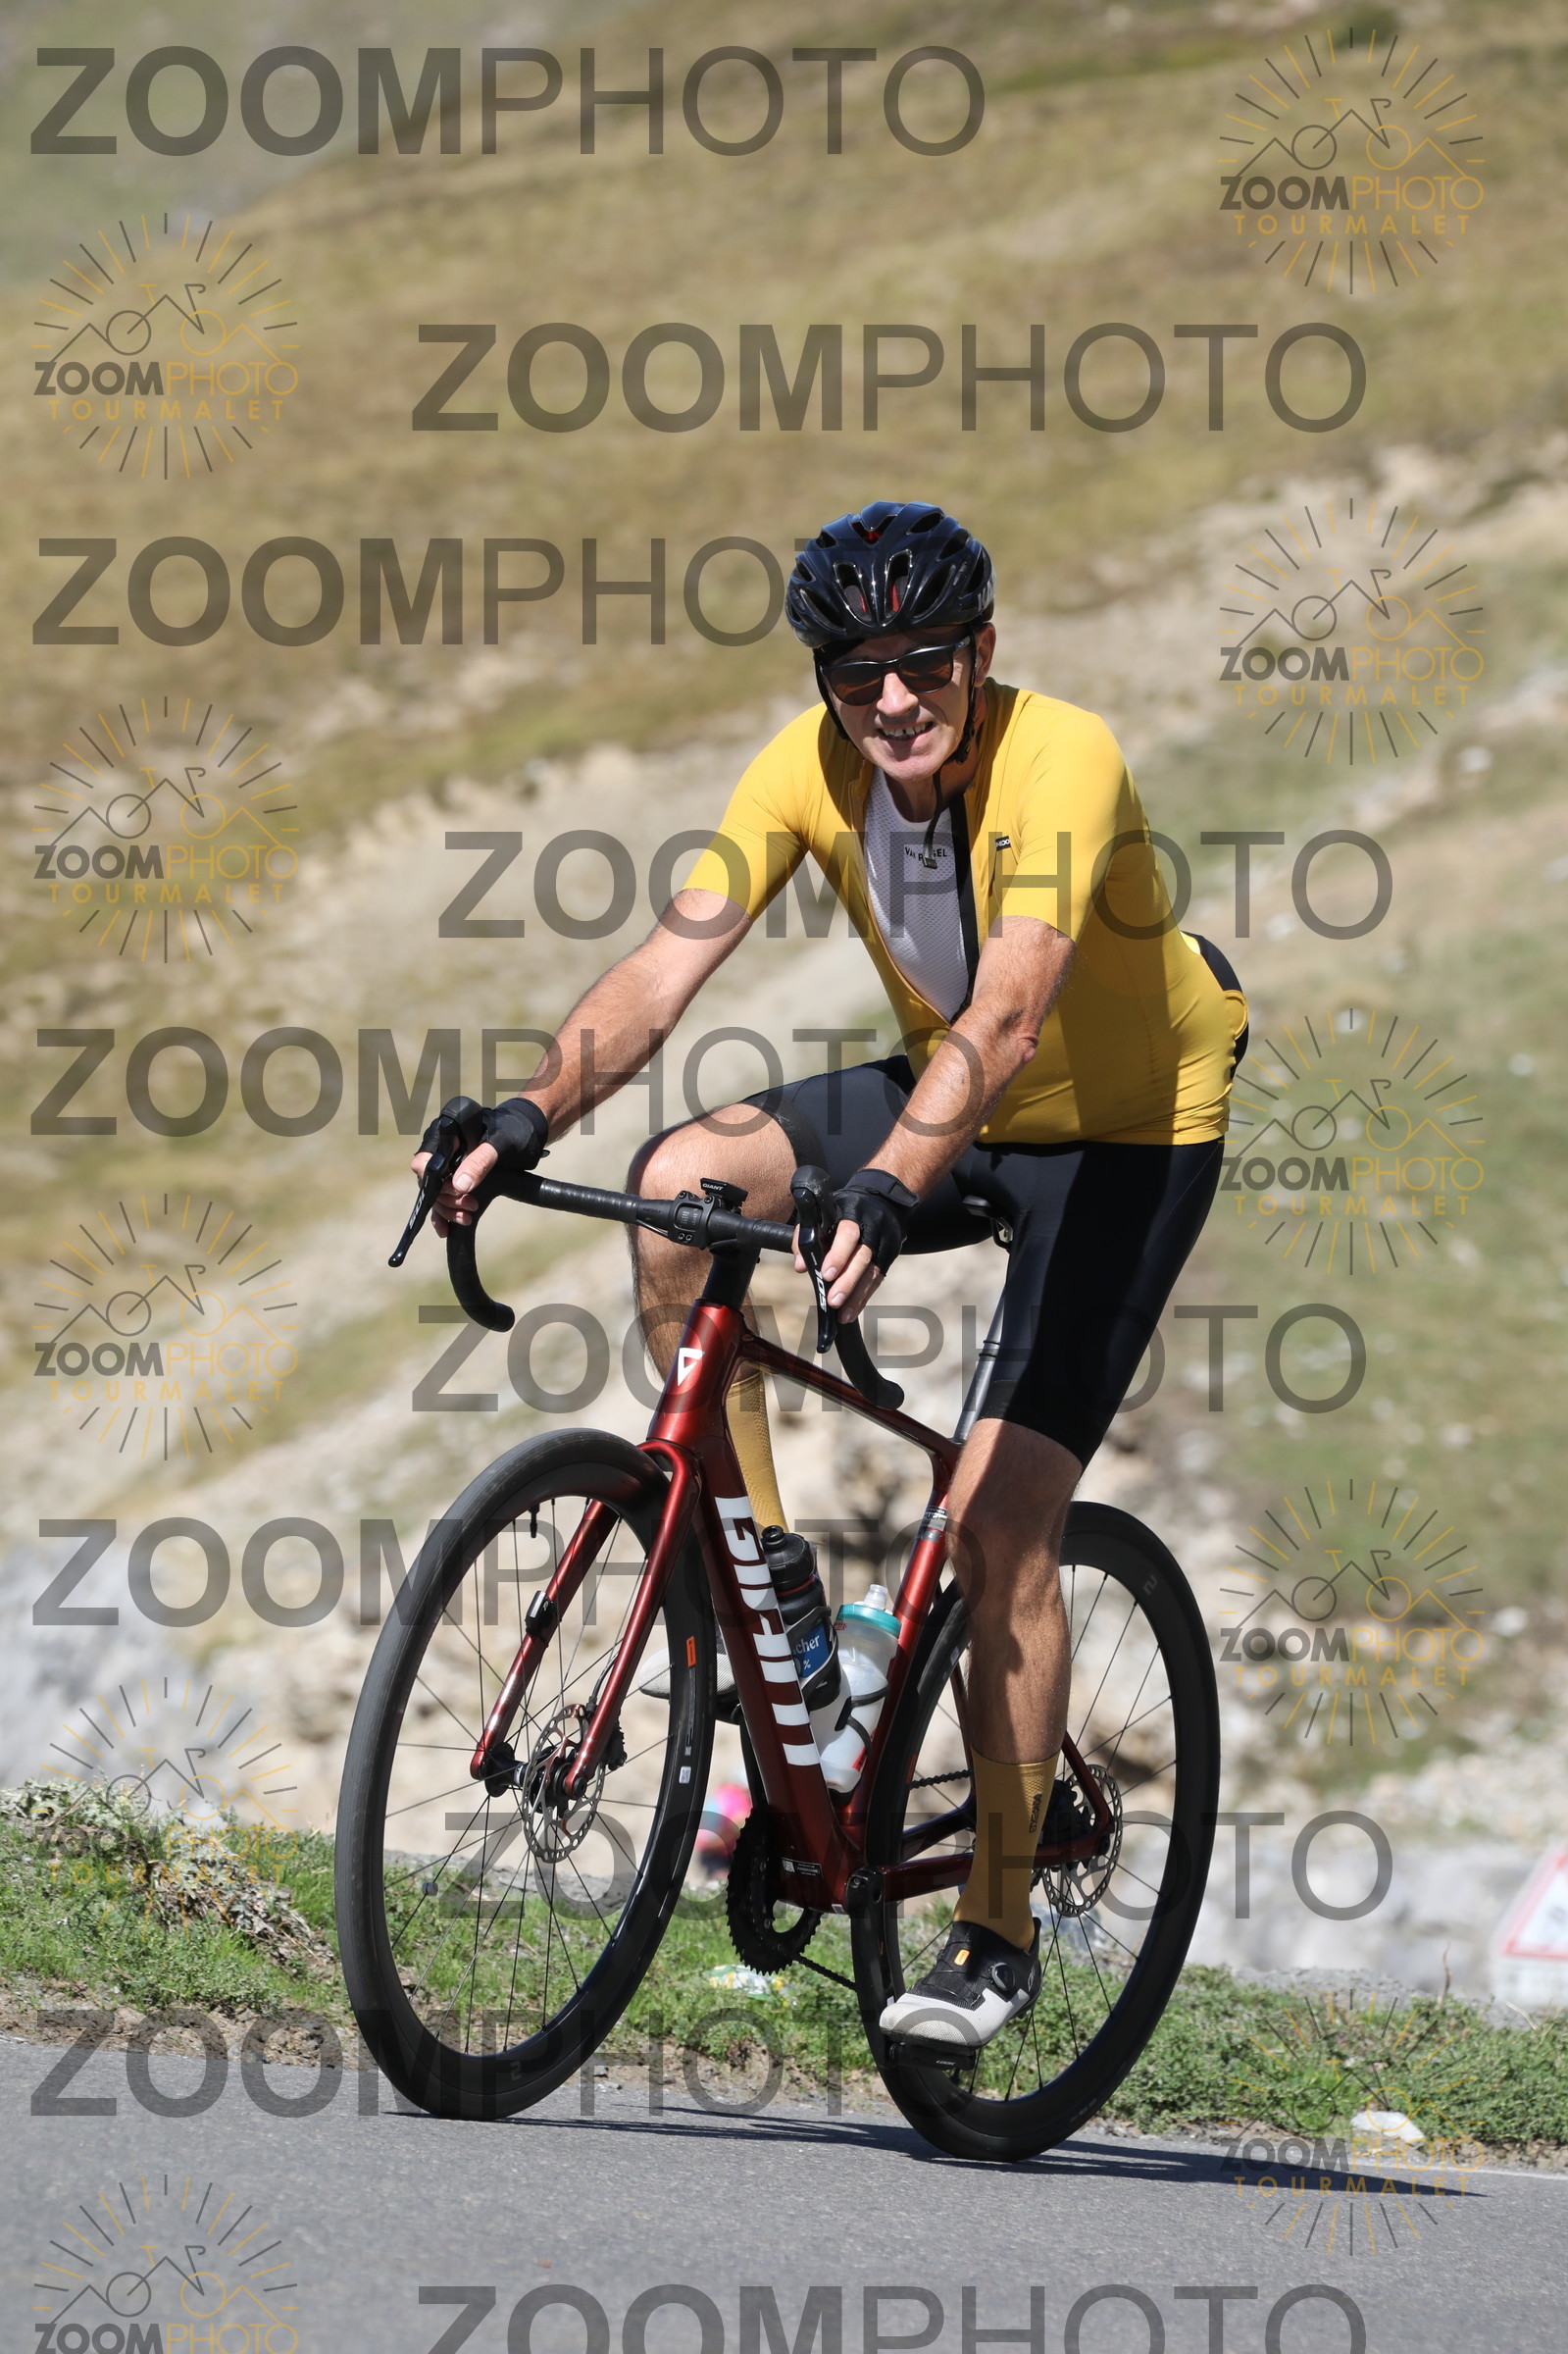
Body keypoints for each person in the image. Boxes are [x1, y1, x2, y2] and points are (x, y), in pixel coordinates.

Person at [413, 499, 1245, 2049]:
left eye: (924, 663)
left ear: (982, 653)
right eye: (857, 673)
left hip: (1128, 1129)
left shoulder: (1064, 758)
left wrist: (887, 1185)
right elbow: (665, 968)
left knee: (999, 1522)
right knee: (680, 1185)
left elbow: (1008, 1016)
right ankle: (781, 1608)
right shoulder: (809, 768)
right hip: (954, 1095)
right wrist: (526, 1113)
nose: (893, 699)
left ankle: (995, 1930)